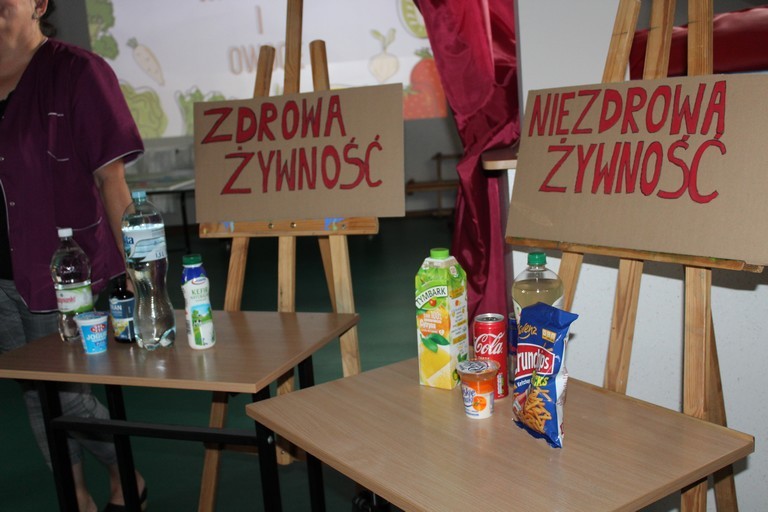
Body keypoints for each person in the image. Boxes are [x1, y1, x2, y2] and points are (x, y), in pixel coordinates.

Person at [0, 1, 146, 511]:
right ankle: (77, 496)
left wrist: (140, 275)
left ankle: (124, 474)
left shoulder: (78, 71)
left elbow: (112, 181)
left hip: (63, 273)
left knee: (67, 395)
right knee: (34, 392)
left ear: (39, 3)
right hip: (0, 280)